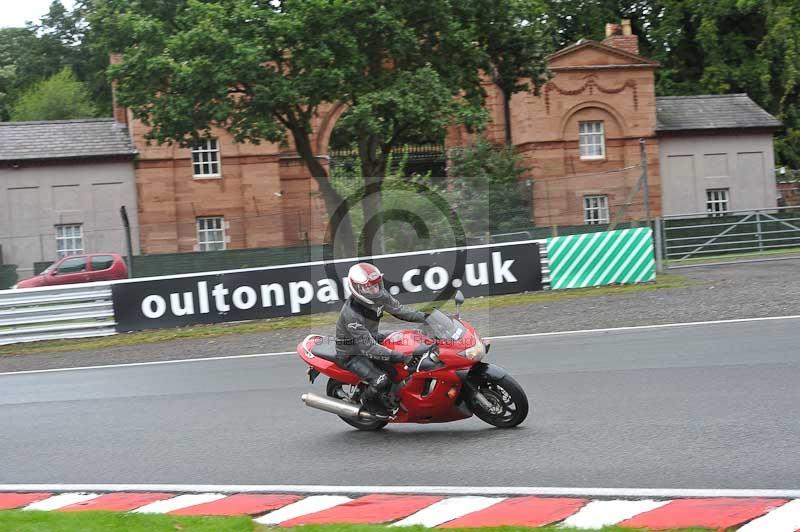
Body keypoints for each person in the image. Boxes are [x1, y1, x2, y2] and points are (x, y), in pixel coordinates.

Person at [335, 262, 430, 417]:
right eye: (370, 287)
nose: (375, 290)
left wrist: (427, 317)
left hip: (371, 337)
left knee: (405, 337)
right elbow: (369, 348)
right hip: (352, 352)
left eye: (377, 285)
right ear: (357, 289)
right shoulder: (351, 315)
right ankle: (368, 403)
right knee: (382, 379)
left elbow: (400, 310)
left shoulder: (380, 295)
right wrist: (401, 357)